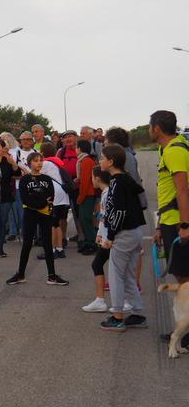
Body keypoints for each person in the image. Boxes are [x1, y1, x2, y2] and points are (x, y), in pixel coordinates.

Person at [148, 111, 189, 347]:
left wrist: (184, 226)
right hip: (170, 219)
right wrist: (161, 227)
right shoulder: (171, 149)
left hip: (178, 220)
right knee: (181, 275)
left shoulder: (175, 151)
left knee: (185, 278)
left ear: (157, 129)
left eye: (150, 126)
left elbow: (182, 190)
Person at [98, 144, 147, 332]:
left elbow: (118, 211)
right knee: (128, 275)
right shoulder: (126, 179)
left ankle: (117, 316)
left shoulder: (117, 182)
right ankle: (137, 313)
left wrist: (109, 235)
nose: (100, 161)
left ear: (111, 162)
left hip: (123, 233)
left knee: (116, 275)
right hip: (134, 232)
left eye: (102, 158)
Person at [7, 153, 69, 286]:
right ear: (30, 163)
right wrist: (41, 200)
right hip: (30, 214)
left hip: (45, 214)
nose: (39, 163)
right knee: (27, 244)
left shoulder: (47, 179)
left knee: (47, 244)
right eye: (36, 161)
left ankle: (52, 276)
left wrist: (38, 200)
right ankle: (21, 274)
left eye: (41, 160)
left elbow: (50, 197)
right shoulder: (25, 180)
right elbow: (26, 199)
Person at [82, 167, 113, 313]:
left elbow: (108, 218)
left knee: (98, 264)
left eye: (92, 177)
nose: (91, 180)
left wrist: (105, 236)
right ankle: (101, 299)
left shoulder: (107, 194)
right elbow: (103, 217)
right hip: (106, 236)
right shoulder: (106, 193)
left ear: (98, 179)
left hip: (110, 238)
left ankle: (101, 300)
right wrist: (99, 233)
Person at [40, 142, 71, 259]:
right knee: (56, 223)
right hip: (63, 195)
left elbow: (35, 174)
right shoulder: (58, 162)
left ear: (42, 153)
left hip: (54, 195)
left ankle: (51, 250)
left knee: (50, 224)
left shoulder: (46, 163)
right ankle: (59, 248)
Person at [9, 131, 37, 240]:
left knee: (34, 212)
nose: (26, 141)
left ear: (32, 141)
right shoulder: (15, 153)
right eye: (23, 139)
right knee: (22, 213)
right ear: (20, 141)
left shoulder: (36, 152)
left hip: (35, 187)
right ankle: (25, 234)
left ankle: (34, 234)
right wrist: (24, 176)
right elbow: (11, 173)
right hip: (19, 188)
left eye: (28, 139)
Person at [75, 139, 99, 255]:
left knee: (86, 219)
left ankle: (92, 243)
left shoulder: (86, 161)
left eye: (76, 147)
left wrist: (81, 197)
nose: (75, 150)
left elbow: (85, 181)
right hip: (87, 193)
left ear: (80, 148)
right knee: (84, 219)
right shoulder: (85, 160)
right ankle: (87, 241)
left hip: (88, 194)